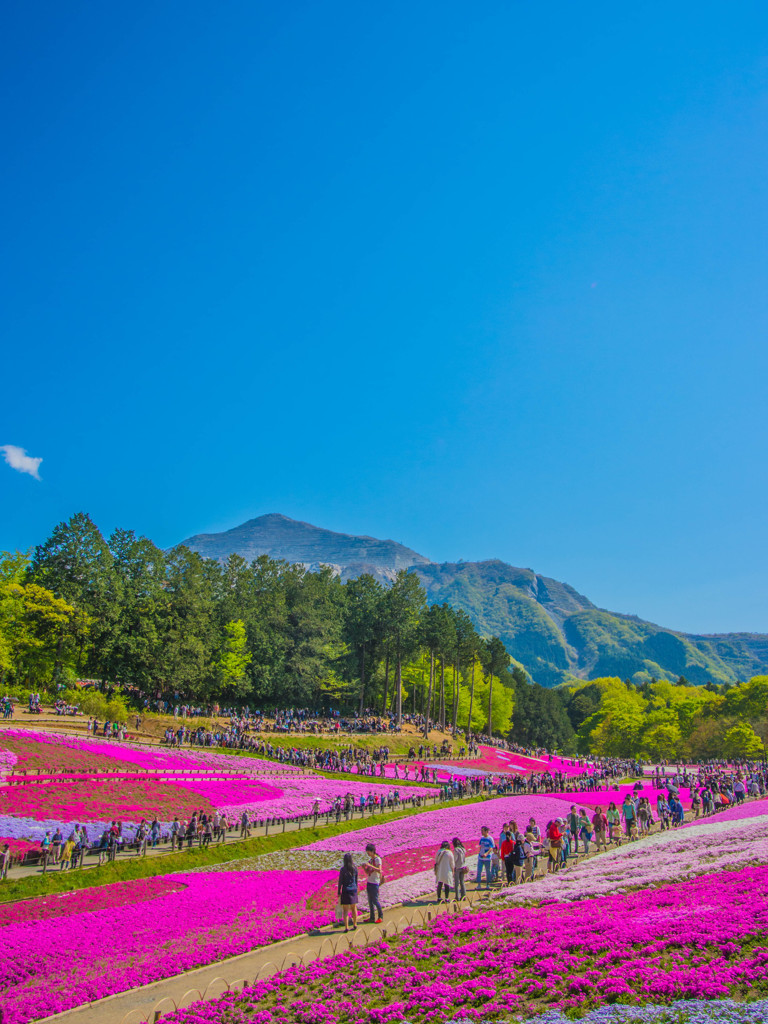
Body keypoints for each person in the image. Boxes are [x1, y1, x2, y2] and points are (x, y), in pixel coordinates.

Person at [362, 843, 383, 924]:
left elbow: (379, 870)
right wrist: (365, 868)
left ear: (372, 851)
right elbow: (368, 872)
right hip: (369, 882)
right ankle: (372, 917)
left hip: (375, 882)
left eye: (368, 852)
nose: (368, 853)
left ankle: (380, 916)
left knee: (375, 900)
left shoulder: (378, 859)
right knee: (370, 901)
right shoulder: (370, 861)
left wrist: (370, 866)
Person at [337, 852, 359, 932]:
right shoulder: (355, 868)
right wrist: (356, 888)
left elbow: (340, 881)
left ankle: (346, 927)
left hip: (345, 890)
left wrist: (339, 891)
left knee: (345, 910)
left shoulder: (343, 869)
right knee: (354, 908)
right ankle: (355, 924)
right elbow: (356, 880)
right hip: (353, 890)